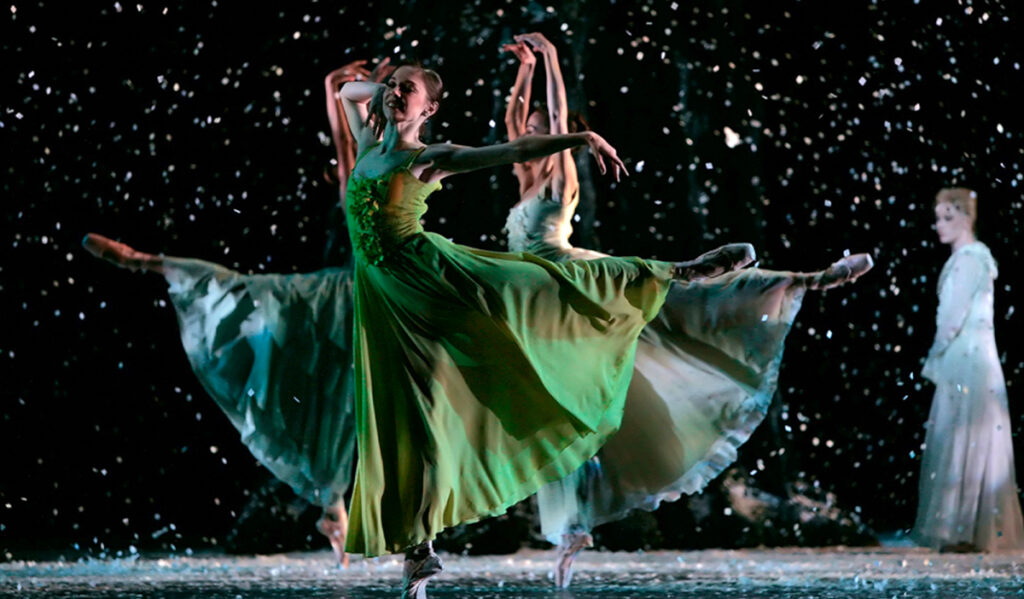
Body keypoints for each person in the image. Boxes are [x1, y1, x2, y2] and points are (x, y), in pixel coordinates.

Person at [85, 61, 761, 599]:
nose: (388, 95)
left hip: (427, 279)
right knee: (402, 418)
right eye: (393, 88)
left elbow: (510, 148)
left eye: (404, 91)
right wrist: (381, 83)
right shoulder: (373, 140)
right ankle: (416, 548)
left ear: (425, 109)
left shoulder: (424, 156)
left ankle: (678, 272)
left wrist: (577, 138)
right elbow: (349, 89)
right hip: (385, 301)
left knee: (531, 291)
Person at [502, 32, 876, 587]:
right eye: (532, 127)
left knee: (679, 302)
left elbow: (555, 120)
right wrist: (525, 70)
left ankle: (803, 279)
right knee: (563, 409)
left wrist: (553, 60)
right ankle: (571, 526)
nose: (530, 131)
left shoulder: (563, 173)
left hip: (576, 279)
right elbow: (512, 120)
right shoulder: (523, 176)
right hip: (542, 305)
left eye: (540, 128)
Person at [911, 187, 1024, 552]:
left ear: (966, 217)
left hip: (966, 356)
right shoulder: (975, 258)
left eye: (947, 217)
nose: (939, 226)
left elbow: (951, 317)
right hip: (975, 356)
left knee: (963, 434)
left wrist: (935, 354)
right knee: (968, 436)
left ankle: (964, 529)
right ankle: (969, 527)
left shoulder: (968, 259)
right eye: (938, 217)